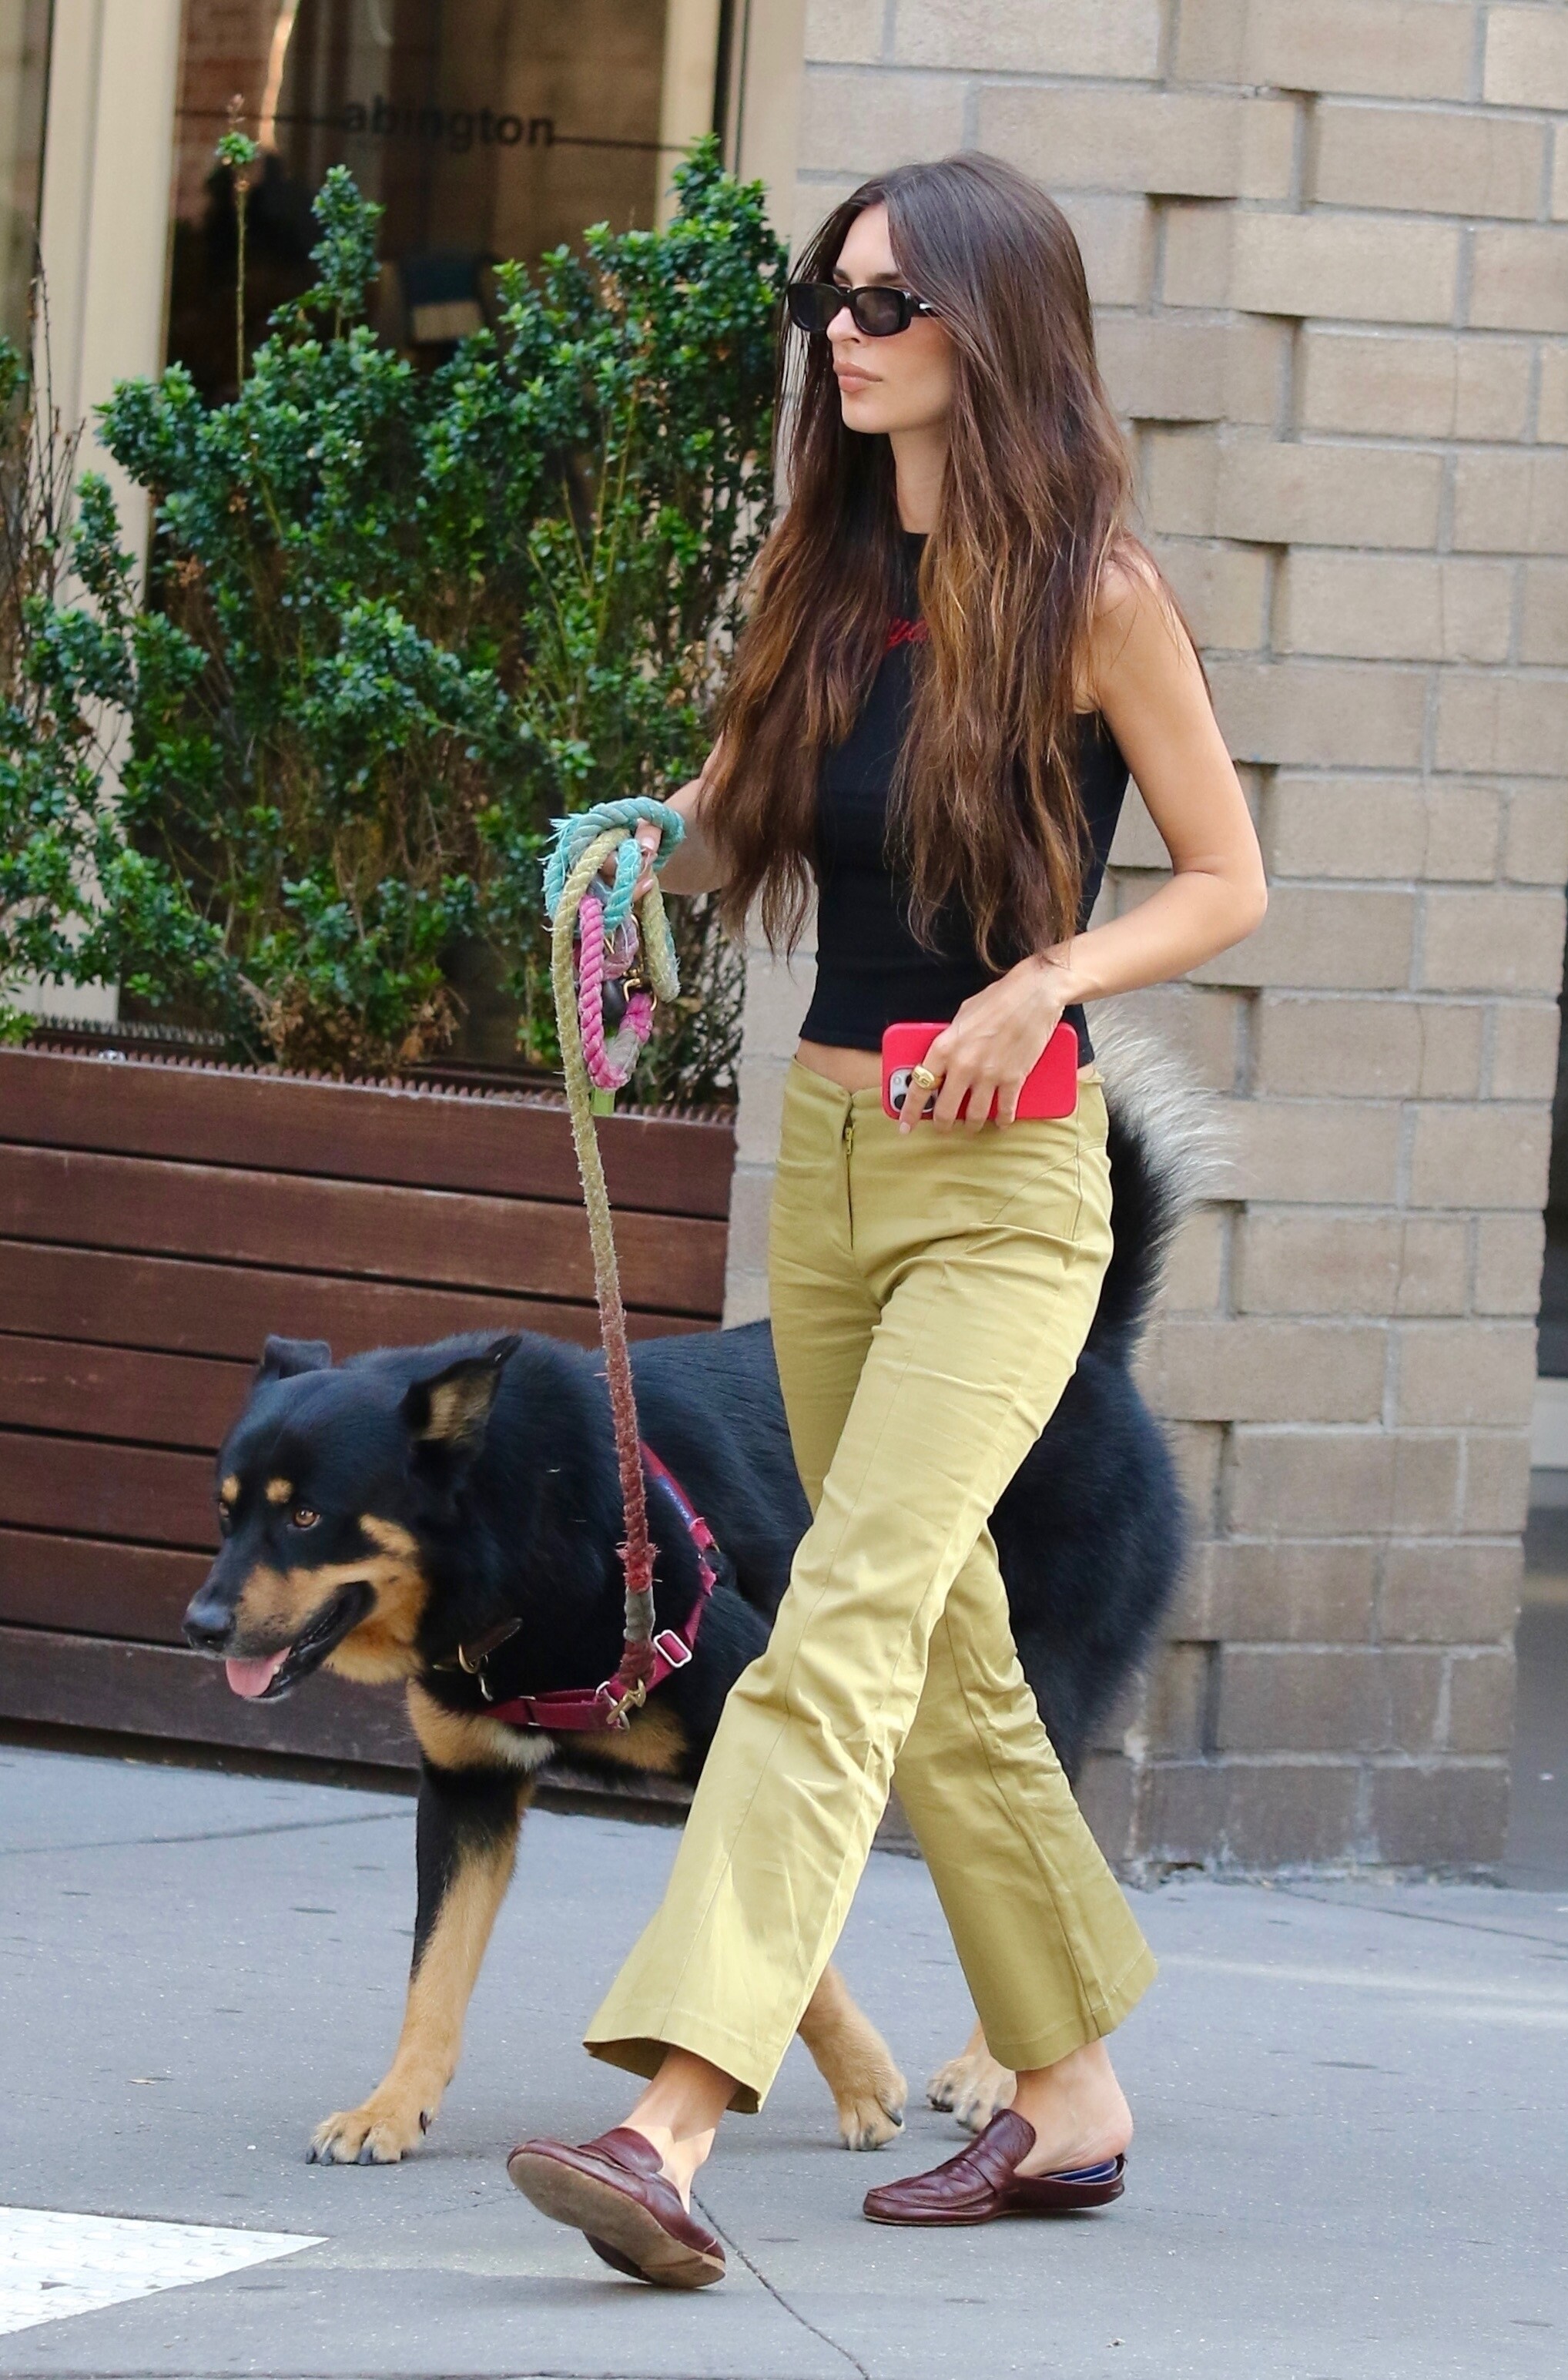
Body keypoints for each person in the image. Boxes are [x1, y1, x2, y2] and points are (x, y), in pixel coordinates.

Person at [507, 151, 1267, 2288]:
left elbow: (1226, 877)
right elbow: (744, 815)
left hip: (1005, 1185)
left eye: (882, 305)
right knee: (939, 1654)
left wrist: (1045, 979)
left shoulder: (1095, 595)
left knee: (838, 1626)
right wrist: (638, 849)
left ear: (988, 331)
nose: (839, 340)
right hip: (832, 1163)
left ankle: (670, 2116)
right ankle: (1072, 2089)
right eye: (823, 303)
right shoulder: (830, 580)